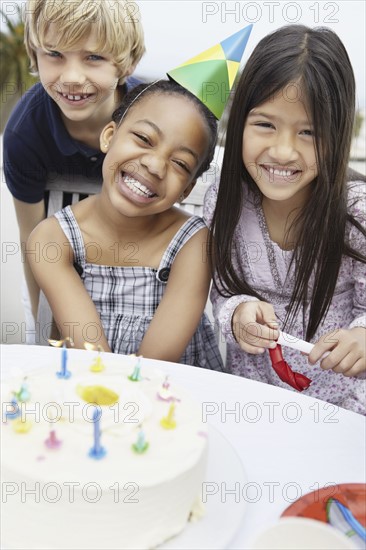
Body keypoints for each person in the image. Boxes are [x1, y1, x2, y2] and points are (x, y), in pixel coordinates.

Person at [204, 25, 366, 412]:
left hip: (341, 411)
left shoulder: (355, 212)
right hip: (250, 402)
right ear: (239, 120)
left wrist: (362, 335)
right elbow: (221, 290)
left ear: (339, 134)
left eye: (309, 132)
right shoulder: (224, 201)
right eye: (265, 124)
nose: (283, 151)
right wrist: (238, 313)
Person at [28, 80, 224, 370]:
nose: (155, 166)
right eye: (144, 139)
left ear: (186, 189)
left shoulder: (194, 243)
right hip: (94, 382)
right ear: (109, 136)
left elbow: (151, 368)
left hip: (173, 396)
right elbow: (93, 355)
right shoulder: (51, 238)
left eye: (180, 164)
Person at [3, 0, 145, 324]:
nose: (71, 77)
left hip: (134, 280)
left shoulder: (152, 119)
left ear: (127, 63)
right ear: (35, 53)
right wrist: (45, 328)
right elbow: (33, 240)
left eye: (93, 57)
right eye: (54, 54)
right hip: (56, 278)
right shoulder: (25, 133)